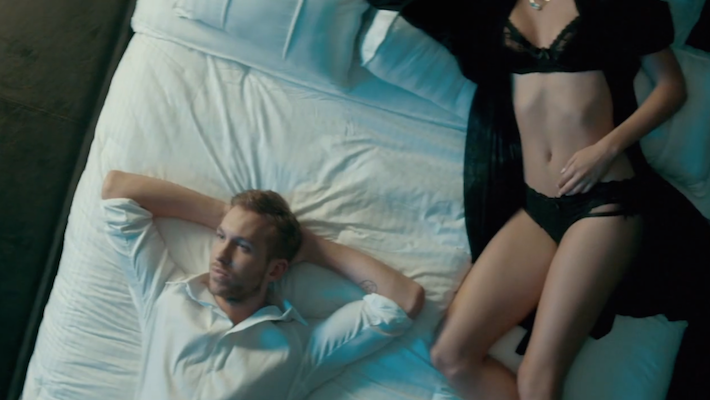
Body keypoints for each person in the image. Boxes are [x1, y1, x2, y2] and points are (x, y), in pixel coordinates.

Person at [367, 1, 710, 399]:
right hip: (537, 208)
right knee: (451, 355)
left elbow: (672, 87)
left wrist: (607, 148)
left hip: (604, 201)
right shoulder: (492, 8)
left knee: (537, 379)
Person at [100, 170, 425, 400]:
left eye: (243, 247)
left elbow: (403, 299)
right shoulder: (166, 294)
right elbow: (118, 190)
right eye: (220, 237)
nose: (221, 255)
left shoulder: (299, 349)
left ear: (277, 269)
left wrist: (312, 249)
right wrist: (230, 216)